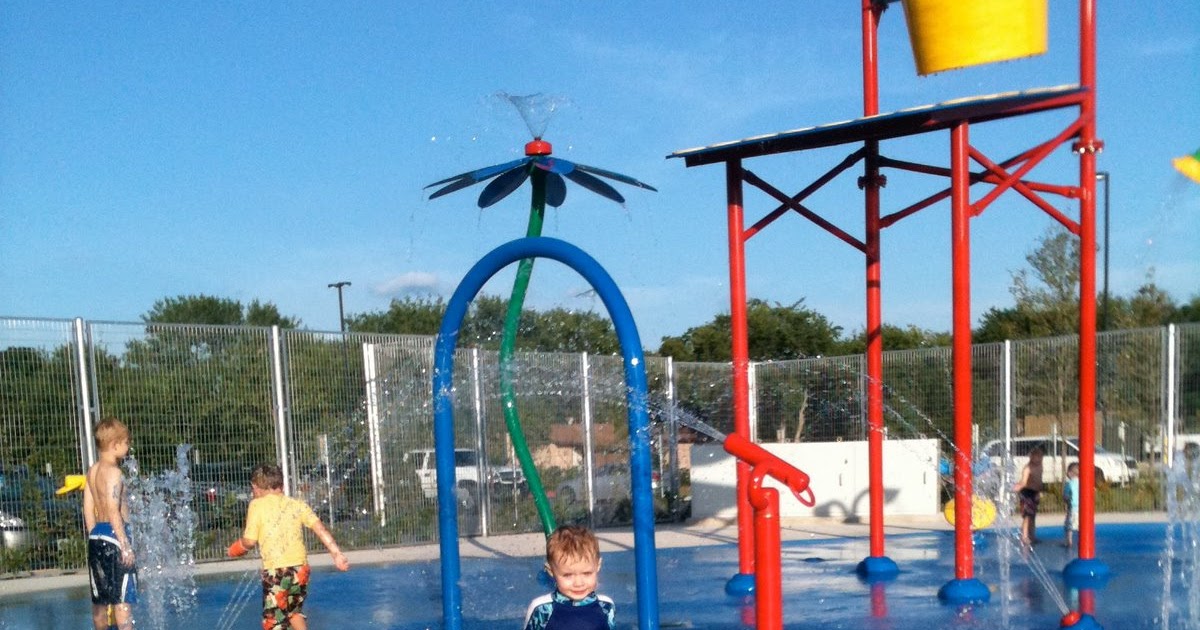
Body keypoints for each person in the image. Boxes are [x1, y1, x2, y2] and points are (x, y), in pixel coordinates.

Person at [228, 464, 350, 630]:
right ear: (282, 486)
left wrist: (235, 548)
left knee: (274, 622)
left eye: (253, 489)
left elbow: (249, 541)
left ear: (256, 487)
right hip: (301, 570)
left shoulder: (256, 505)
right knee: (293, 612)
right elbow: (320, 529)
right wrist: (336, 554)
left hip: (277, 572)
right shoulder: (297, 504)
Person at [84, 417, 138, 630]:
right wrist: (125, 546)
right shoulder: (114, 473)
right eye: (126, 443)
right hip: (115, 537)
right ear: (115, 445)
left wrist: (93, 534)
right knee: (122, 599)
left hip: (96, 535)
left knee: (100, 600)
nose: (128, 447)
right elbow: (114, 512)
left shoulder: (92, 471)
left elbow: (88, 509)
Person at [523, 525, 615, 630]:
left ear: (598, 566)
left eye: (587, 573)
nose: (578, 583)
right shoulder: (542, 609)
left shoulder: (606, 606)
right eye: (568, 575)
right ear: (551, 571)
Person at [1014, 445, 1044, 545]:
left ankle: (1032, 536)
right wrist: (1016, 487)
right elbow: (1023, 482)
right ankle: (1024, 536)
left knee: (1033, 516)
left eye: (1041, 457)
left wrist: (1039, 492)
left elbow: (1039, 481)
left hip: (1034, 493)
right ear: (1031, 457)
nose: (1040, 459)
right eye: (1037, 456)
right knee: (1027, 516)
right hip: (1026, 492)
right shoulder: (1028, 468)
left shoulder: (1040, 466)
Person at [1063, 462, 1080, 548]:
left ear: (1069, 473)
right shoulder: (1082, 483)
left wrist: (1066, 501)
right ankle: (1082, 541)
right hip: (1082, 508)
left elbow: (1065, 496)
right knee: (1080, 526)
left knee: (1069, 526)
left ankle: (1069, 541)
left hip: (1073, 507)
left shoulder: (1069, 484)